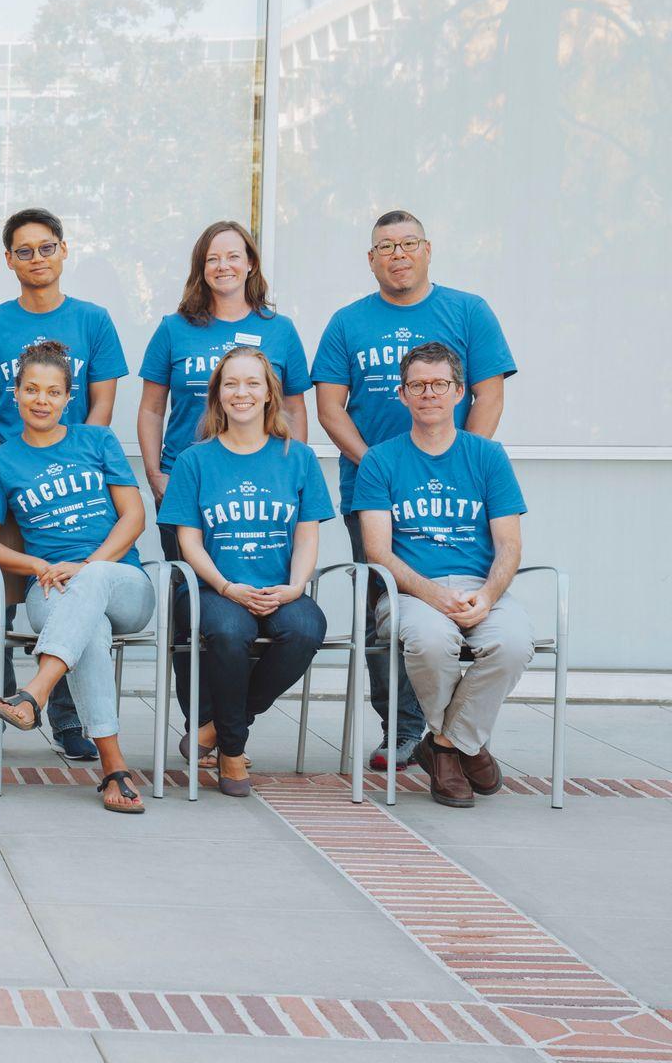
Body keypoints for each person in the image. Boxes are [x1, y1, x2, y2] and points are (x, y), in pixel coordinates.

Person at [313, 209, 515, 770]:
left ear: (428, 250)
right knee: (388, 618)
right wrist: (383, 472)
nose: (398, 254)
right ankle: (403, 733)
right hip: (372, 496)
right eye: (385, 246)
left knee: (457, 615)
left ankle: (449, 737)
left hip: (458, 499)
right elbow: (330, 409)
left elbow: (489, 396)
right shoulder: (347, 322)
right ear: (371, 259)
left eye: (408, 243)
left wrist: (459, 470)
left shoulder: (468, 311)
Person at [0, 208, 125, 764]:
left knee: (68, 592)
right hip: (9, 478)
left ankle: (68, 718)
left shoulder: (93, 320)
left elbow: (101, 401)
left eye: (46, 247)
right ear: (9, 259)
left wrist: (76, 459)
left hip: (74, 476)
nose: (36, 258)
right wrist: (6, 463)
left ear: (63, 250)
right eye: (24, 250)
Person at [0, 340, 154, 815]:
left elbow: (133, 517)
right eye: (32, 389)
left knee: (91, 588)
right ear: (16, 393)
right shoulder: (1, 462)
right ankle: (114, 769)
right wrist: (38, 566)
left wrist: (89, 566)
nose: (41, 400)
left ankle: (34, 692)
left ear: (69, 398)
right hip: (49, 587)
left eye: (53, 392)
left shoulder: (98, 441)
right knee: (90, 627)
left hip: (121, 582)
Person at [355, 343, 533, 809]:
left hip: (480, 588)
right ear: (402, 393)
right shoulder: (379, 460)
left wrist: (490, 596)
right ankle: (462, 748)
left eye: (439, 385)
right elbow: (377, 551)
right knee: (432, 642)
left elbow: (510, 545)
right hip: (410, 591)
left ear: (459, 393)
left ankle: (448, 746)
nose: (428, 394)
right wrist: (433, 594)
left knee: (513, 643)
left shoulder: (488, 456)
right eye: (417, 385)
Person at [157, 348, 333, 797]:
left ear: (270, 393)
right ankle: (232, 753)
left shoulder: (299, 458)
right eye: (231, 383)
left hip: (278, 586)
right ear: (217, 394)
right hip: (212, 588)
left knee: (307, 629)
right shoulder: (194, 461)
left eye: (253, 383)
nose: (242, 393)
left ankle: (216, 728)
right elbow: (188, 541)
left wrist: (295, 588)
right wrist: (225, 585)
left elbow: (307, 536)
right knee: (229, 633)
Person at [139, 221, 311, 560]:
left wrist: (294, 472)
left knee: (265, 591)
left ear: (250, 264)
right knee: (187, 597)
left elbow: (294, 407)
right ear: (201, 269)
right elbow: (151, 409)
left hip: (265, 488)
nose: (223, 266)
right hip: (186, 482)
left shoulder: (280, 331)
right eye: (212, 259)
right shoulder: (173, 329)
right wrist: (156, 475)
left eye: (233, 256)